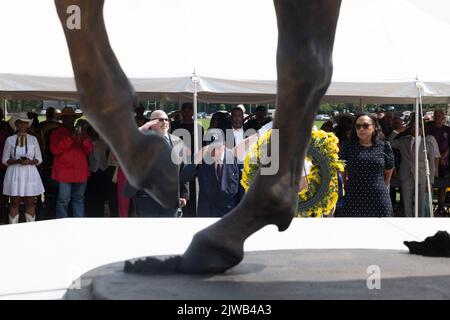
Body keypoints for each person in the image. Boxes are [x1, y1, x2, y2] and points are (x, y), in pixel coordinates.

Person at [123, 110, 189, 217]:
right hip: (146, 199)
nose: (164, 122)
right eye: (160, 119)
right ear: (151, 123)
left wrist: (184, 194)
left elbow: (183, 170)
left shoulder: (178, 142)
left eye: (166, 119)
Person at [337, 114, 394, 217]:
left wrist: (381, 185)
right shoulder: (347, 146)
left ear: (374, 127)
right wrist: (348, 185)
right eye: (358, 126)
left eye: (365, 126)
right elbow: (342, 171)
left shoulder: (384, 146)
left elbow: (388, 171)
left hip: (379, 198)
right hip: (353, 196)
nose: (361, 129)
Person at [181, 129, 241, 217]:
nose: (215, 151)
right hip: (207, 213)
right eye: (212, 148)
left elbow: (239, 189)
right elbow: (184, 177)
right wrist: (196, 161)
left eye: (218, 147)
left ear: (224, 146)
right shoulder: (203, 158)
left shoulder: (233, 158)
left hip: (228, 213)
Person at [388, 121, 440, 217]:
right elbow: (388, 143)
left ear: (422, 129)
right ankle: (409, 224)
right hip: (406, 176)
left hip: (422, 177)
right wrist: (397, 131)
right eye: (412, 127)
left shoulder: (428, 143)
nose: (414, 129)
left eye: (417, 127)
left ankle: (420, 226)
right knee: (406, 205)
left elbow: (432, 165)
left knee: (421, 205)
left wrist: (430, 182)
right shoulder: (403, 140)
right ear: (409, 129)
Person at [50, 107, 93, 218]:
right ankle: (62, 223)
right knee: (63, 200)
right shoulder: (56, 132)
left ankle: (78, 224)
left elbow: (89, 150)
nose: (70, 120)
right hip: (64, 172)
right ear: (62, 119)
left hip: (80, 171)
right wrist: (70, 138)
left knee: (78, 199)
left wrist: (84, 139)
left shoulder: (81, 132)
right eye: (67, 118)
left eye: (72, 118)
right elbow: (55, 150)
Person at [2, 113, 44, 223]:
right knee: (14, 202)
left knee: (30, 201)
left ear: (28, 125)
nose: (23, 125)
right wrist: (17, 161)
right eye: (20, 122)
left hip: (30, 173)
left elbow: (39, 159)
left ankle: (30, 228)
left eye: (25, 123)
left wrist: (30, 161)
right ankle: (13, 228)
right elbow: (5, 160)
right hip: (15, 172)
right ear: (16, 124)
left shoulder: (33, 139)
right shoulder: (10, 140)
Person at [170, 102, 205, 217]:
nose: (187, 112)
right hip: (177, 163)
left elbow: (201, 146)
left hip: (193, 163)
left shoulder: (198, 127)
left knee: (192, 191)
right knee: (179, 189)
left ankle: (191, 215)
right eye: (184, 110)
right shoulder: (175, 125)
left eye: (189, 110)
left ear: (192, 111)